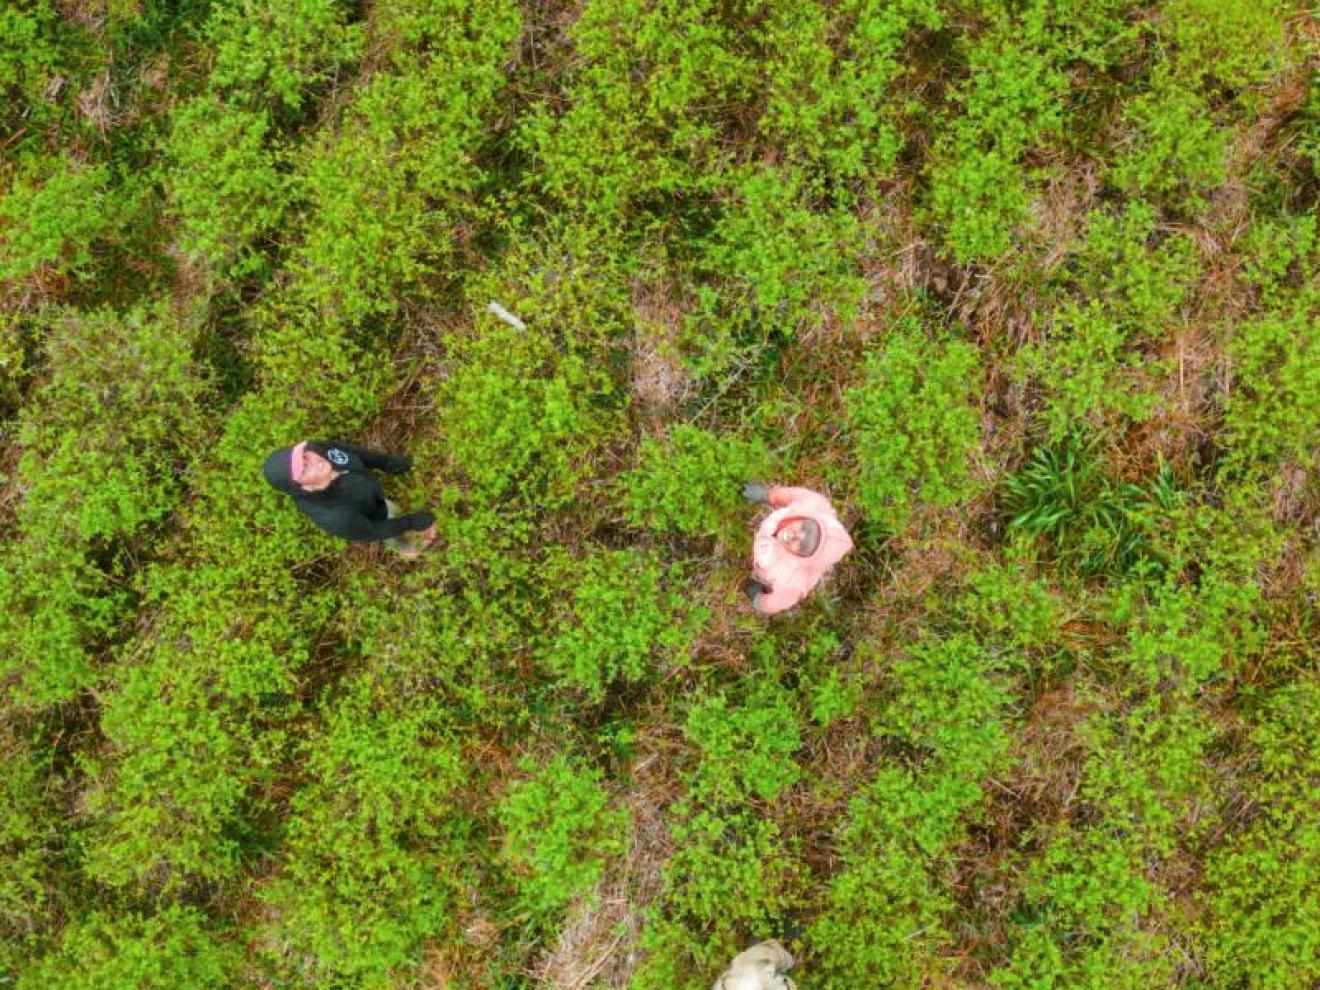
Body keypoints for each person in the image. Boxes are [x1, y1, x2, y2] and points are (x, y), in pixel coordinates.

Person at [262, 440, 436, 557]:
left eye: (305, 455)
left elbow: (352, 452)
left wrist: (388, 463)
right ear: (300, 486)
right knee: (392, 525)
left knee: (386, 505)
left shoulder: (316, 449)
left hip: (370, 492)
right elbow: (372, 531)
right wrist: (411, 523)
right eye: (304, 468)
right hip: (373, 518)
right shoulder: (336, 517)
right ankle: (410, 546)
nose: (316, 459)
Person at [742, 483, 852, 615]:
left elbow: (775, 603)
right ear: (808, 517)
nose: (794, 536)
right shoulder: (814, 504)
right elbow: (793, 495)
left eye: (803, 546)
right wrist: (768, 495)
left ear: (805, 558)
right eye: (804, 527)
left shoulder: (793, 582)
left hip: (765, 565)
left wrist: (759, 600)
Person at [712, 940, 796, 990]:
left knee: (786, 960)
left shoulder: (755, 976)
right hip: (754, 964)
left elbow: (776, 955)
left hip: (767, 958)